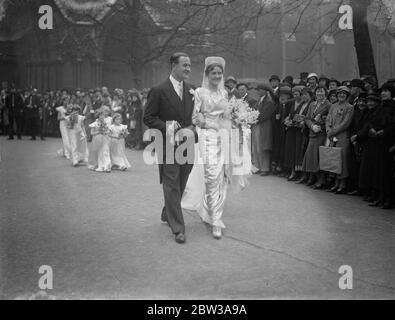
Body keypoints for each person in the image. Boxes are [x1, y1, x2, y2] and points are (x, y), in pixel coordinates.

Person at [143, 52, 197, 244]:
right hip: (167, 144)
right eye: (185, 65)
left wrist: (193, 126)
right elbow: (148, 117)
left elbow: (196, 116)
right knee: (172, 183)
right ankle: (178, 228)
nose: (188, 69)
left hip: (188, 143)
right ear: (173, 66)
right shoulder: (158, 90)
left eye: (189, 66)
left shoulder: (193, 90)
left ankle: (168, 212)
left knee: (182, 180)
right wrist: (168, 127)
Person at [297, 86, 331, 187]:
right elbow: (307, 118)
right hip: (312, 133)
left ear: (325, 93)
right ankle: (313, 177)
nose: (319, 94)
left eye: (322, 92)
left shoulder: (329, 105)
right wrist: (312, 125)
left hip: (321, 134)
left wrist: (321, 123)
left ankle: (320, 180)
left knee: (318, 157)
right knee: (311, 156)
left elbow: (330, 119)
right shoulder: (312, 104)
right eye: (318, 92)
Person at [325, 86, 354, 194]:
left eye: (344, 93)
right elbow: (328, 118)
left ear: (347, 95)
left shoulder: (350, 107)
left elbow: (345, 123)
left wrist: (333, 131)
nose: (341, 95)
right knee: (334, 159)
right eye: (340, 93)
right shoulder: (333, 106)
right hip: (332, 136)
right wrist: (328, 128)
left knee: (342, 159)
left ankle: (342, 184)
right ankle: (336, 183)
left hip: (342, 136)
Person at [283, 86, 312, 181]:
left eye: (306, 94)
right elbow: (292, 115)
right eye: (302, 94)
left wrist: (303, 122)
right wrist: (288, 120)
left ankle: (303, 174)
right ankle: (294, 172)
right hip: (295, 130)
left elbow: (310, 117)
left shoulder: (311, 104)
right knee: (294, 151)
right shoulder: (301, 104)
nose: (304, 96)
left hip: (305, 131)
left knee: (301, 152)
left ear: (310, 95)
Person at [251, 83, 277, 176]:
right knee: (256, 146)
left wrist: (253, 119)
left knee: (263, 147)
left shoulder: (269, 102)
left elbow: (265, 115)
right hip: (257, 125)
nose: (258, 91)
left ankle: (265, 168)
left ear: (265, 91)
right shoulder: (259, 100)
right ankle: (258, 167)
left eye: (259, 89)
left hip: (264, 126)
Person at [88, 106, 113, 173]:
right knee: (100, 152)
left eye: (103, 115)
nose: (102, 116)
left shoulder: (107, 121)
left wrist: (107, 132)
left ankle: (107, 166)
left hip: (106, 138)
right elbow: (92, 133)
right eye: (100, 115)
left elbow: (110, 129)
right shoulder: (96, 123)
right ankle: (101, 165)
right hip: (98, 140)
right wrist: (99, 131)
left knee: (106, 151)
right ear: (98, 116)